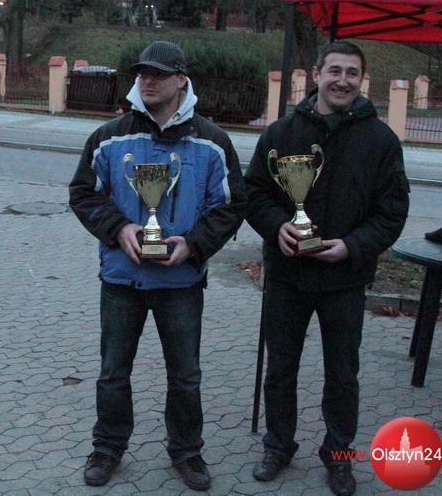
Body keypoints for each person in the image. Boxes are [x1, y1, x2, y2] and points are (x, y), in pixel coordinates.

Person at [69, 41, 247, 491]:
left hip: (181, 281)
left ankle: (186, 452)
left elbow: (230, 205)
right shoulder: (109, 136)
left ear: (181, 79)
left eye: (159, 74)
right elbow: (83, 193)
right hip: (122, 278)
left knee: (185, 376)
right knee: (113, 374)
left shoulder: (212, 141)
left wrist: (194, 244)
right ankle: (107, 448)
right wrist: (119, 229)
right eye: (143, 73)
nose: (148, 80)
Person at [244, 41, 409, 496]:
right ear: (316, 74)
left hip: (345, 280)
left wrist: (353, 247)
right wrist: (276, 226)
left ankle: (338, 455)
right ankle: (278, 446)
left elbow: (392, 212)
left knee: (342, 375)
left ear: (362, 80)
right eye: (334, 70)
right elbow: (253, 193)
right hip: (287, 276)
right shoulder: (281, 133)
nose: (342, 80)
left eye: (352, 73)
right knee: (280, 370)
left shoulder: (381, 141)